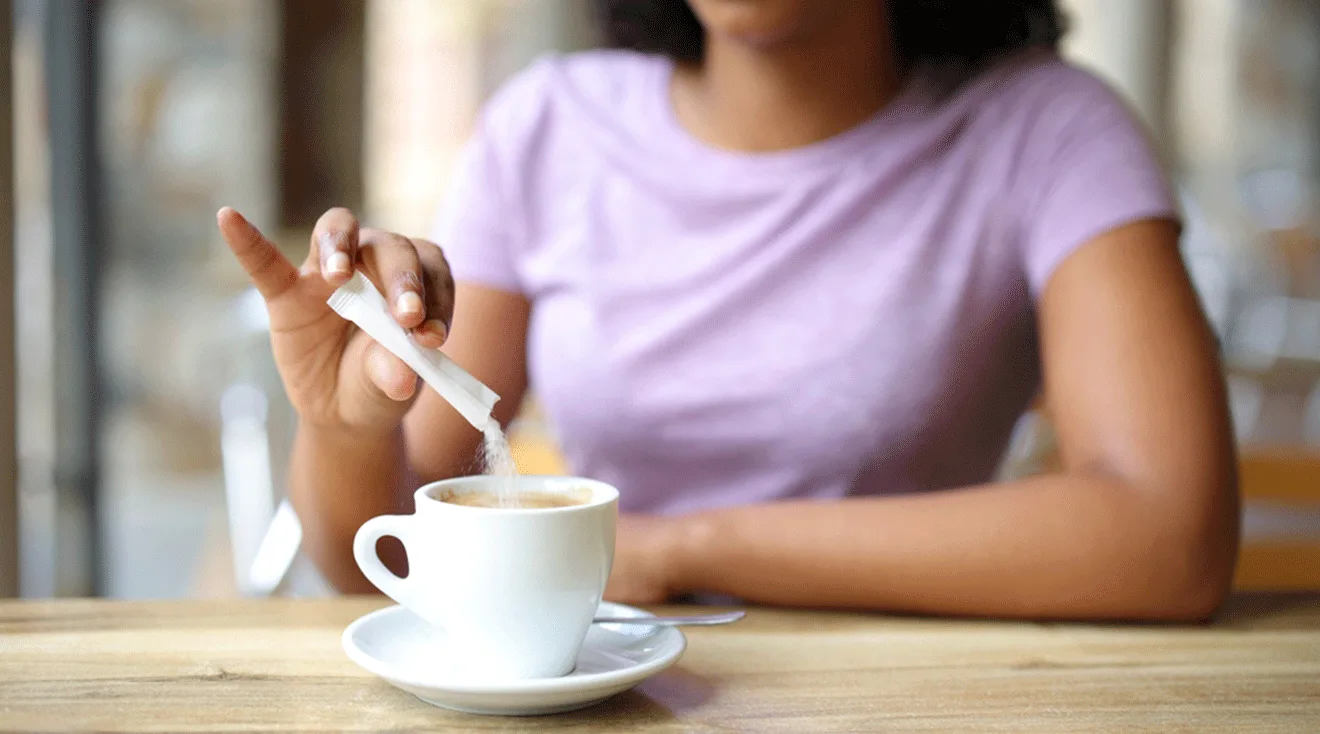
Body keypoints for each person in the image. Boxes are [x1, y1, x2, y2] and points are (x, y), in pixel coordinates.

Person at [217, 0, 1239, 620]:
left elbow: (1169, 532)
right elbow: (386, 556)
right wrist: (350, 423)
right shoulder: (549, 128)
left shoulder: (1047, 130)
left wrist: (680, 546)